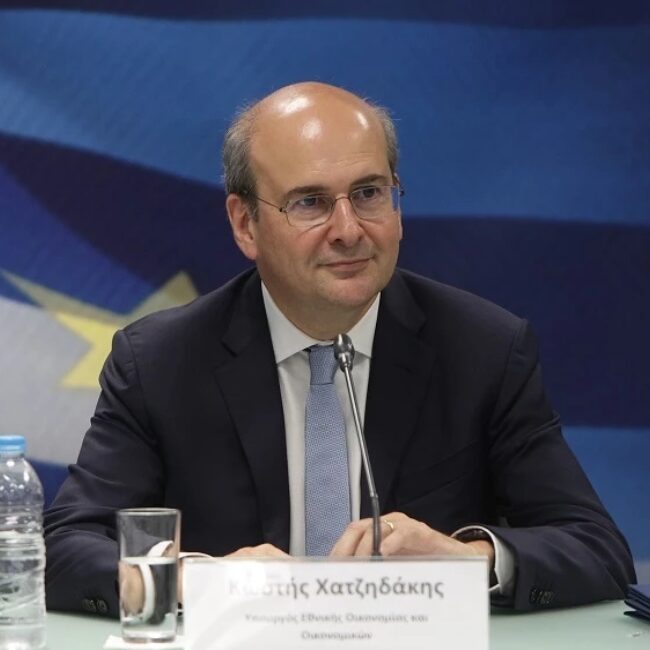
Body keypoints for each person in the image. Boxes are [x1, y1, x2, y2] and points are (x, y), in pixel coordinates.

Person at [44, 82, 635, 617]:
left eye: (369, 193)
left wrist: (466, 559)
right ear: (245, 224)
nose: (349, 230)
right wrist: (198, 580)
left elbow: (597, 549)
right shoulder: (160, 363)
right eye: (310, 203)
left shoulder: (484, 350)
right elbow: (65, 550)